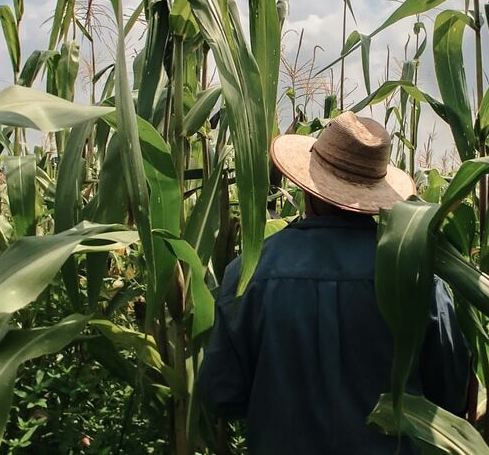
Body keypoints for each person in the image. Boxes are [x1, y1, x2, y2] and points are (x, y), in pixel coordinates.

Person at [197, 112, 471, 454]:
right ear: (376, 193)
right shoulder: (416, 275)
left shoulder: (250, 272)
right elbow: (451, 394)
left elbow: (221, 394)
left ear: (307, 186)